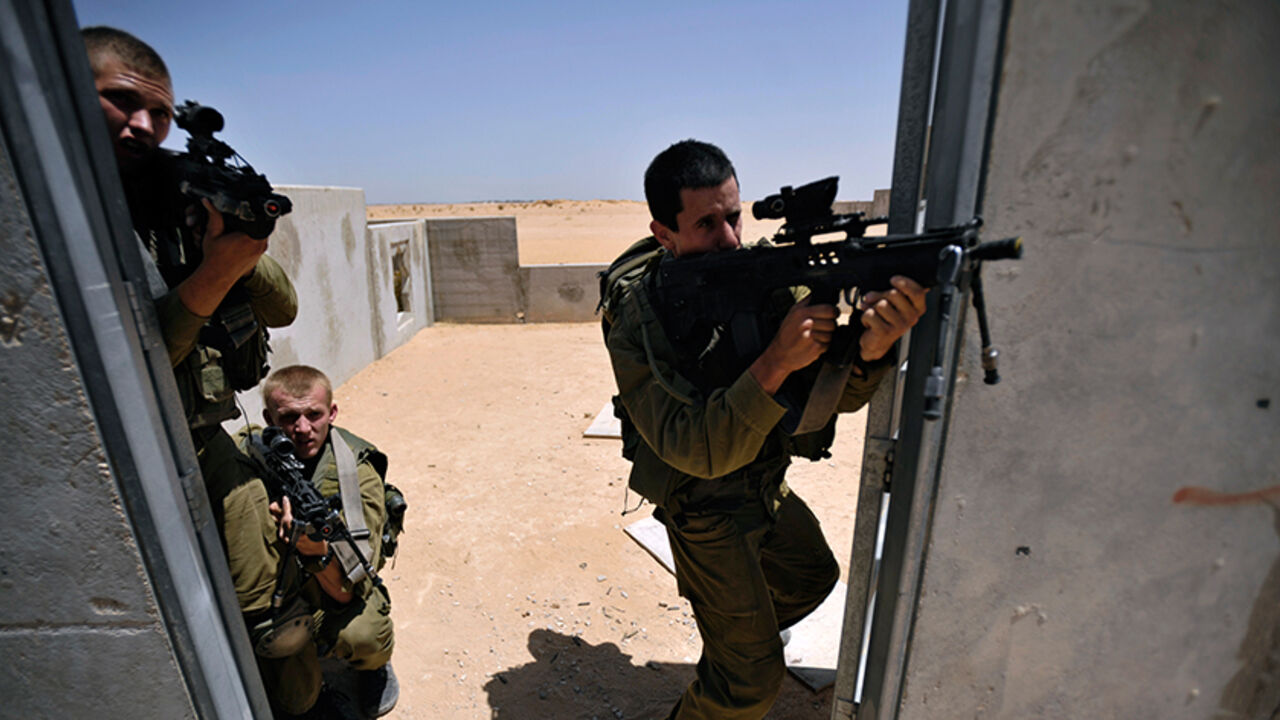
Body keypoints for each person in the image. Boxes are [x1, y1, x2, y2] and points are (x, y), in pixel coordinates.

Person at [602, 139, 928, 719]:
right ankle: (736, 665)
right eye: (706, 224)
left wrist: (872, 349)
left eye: (734, 216)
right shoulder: (638, 317)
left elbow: (822, 406)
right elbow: (693, 449)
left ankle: (737, 645)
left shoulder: (768, 278)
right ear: (664, 234)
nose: (730, 238)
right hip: (701, 506)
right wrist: (776, 360)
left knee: (812, 578)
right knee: (749, 684)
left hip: (762, 483)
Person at [82, 25, 303, 715]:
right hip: (113, 461)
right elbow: (135, 366)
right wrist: (214, 272)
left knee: (270, 609)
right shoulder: (63, 215)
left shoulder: (174, 197)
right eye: (121, 102)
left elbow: (284, 307)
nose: (144, 126)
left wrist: (242, 239)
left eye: (162, 114)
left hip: (204, 437)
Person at [255, 364, 399, 718]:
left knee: (363, 635)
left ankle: (372, 667)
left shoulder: (357, 473)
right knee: (292, 695)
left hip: (340, 583)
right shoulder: (255, 452)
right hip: (283, 586)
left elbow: (353, 585)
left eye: (313, 415)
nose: (302, 429)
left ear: (331, 413)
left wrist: (314, 552)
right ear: (268, 419)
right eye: (288, 418)